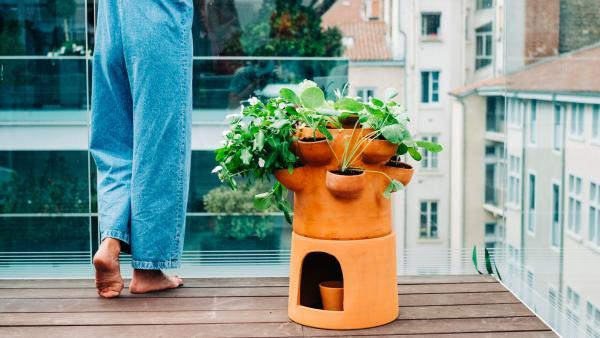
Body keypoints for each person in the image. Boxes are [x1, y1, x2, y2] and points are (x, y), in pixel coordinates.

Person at [89, 0, 194, 298]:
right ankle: (148, 271)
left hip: (112, 18)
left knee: (115, 141)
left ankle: (111, 240)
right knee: (160, 143)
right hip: (156, 17)